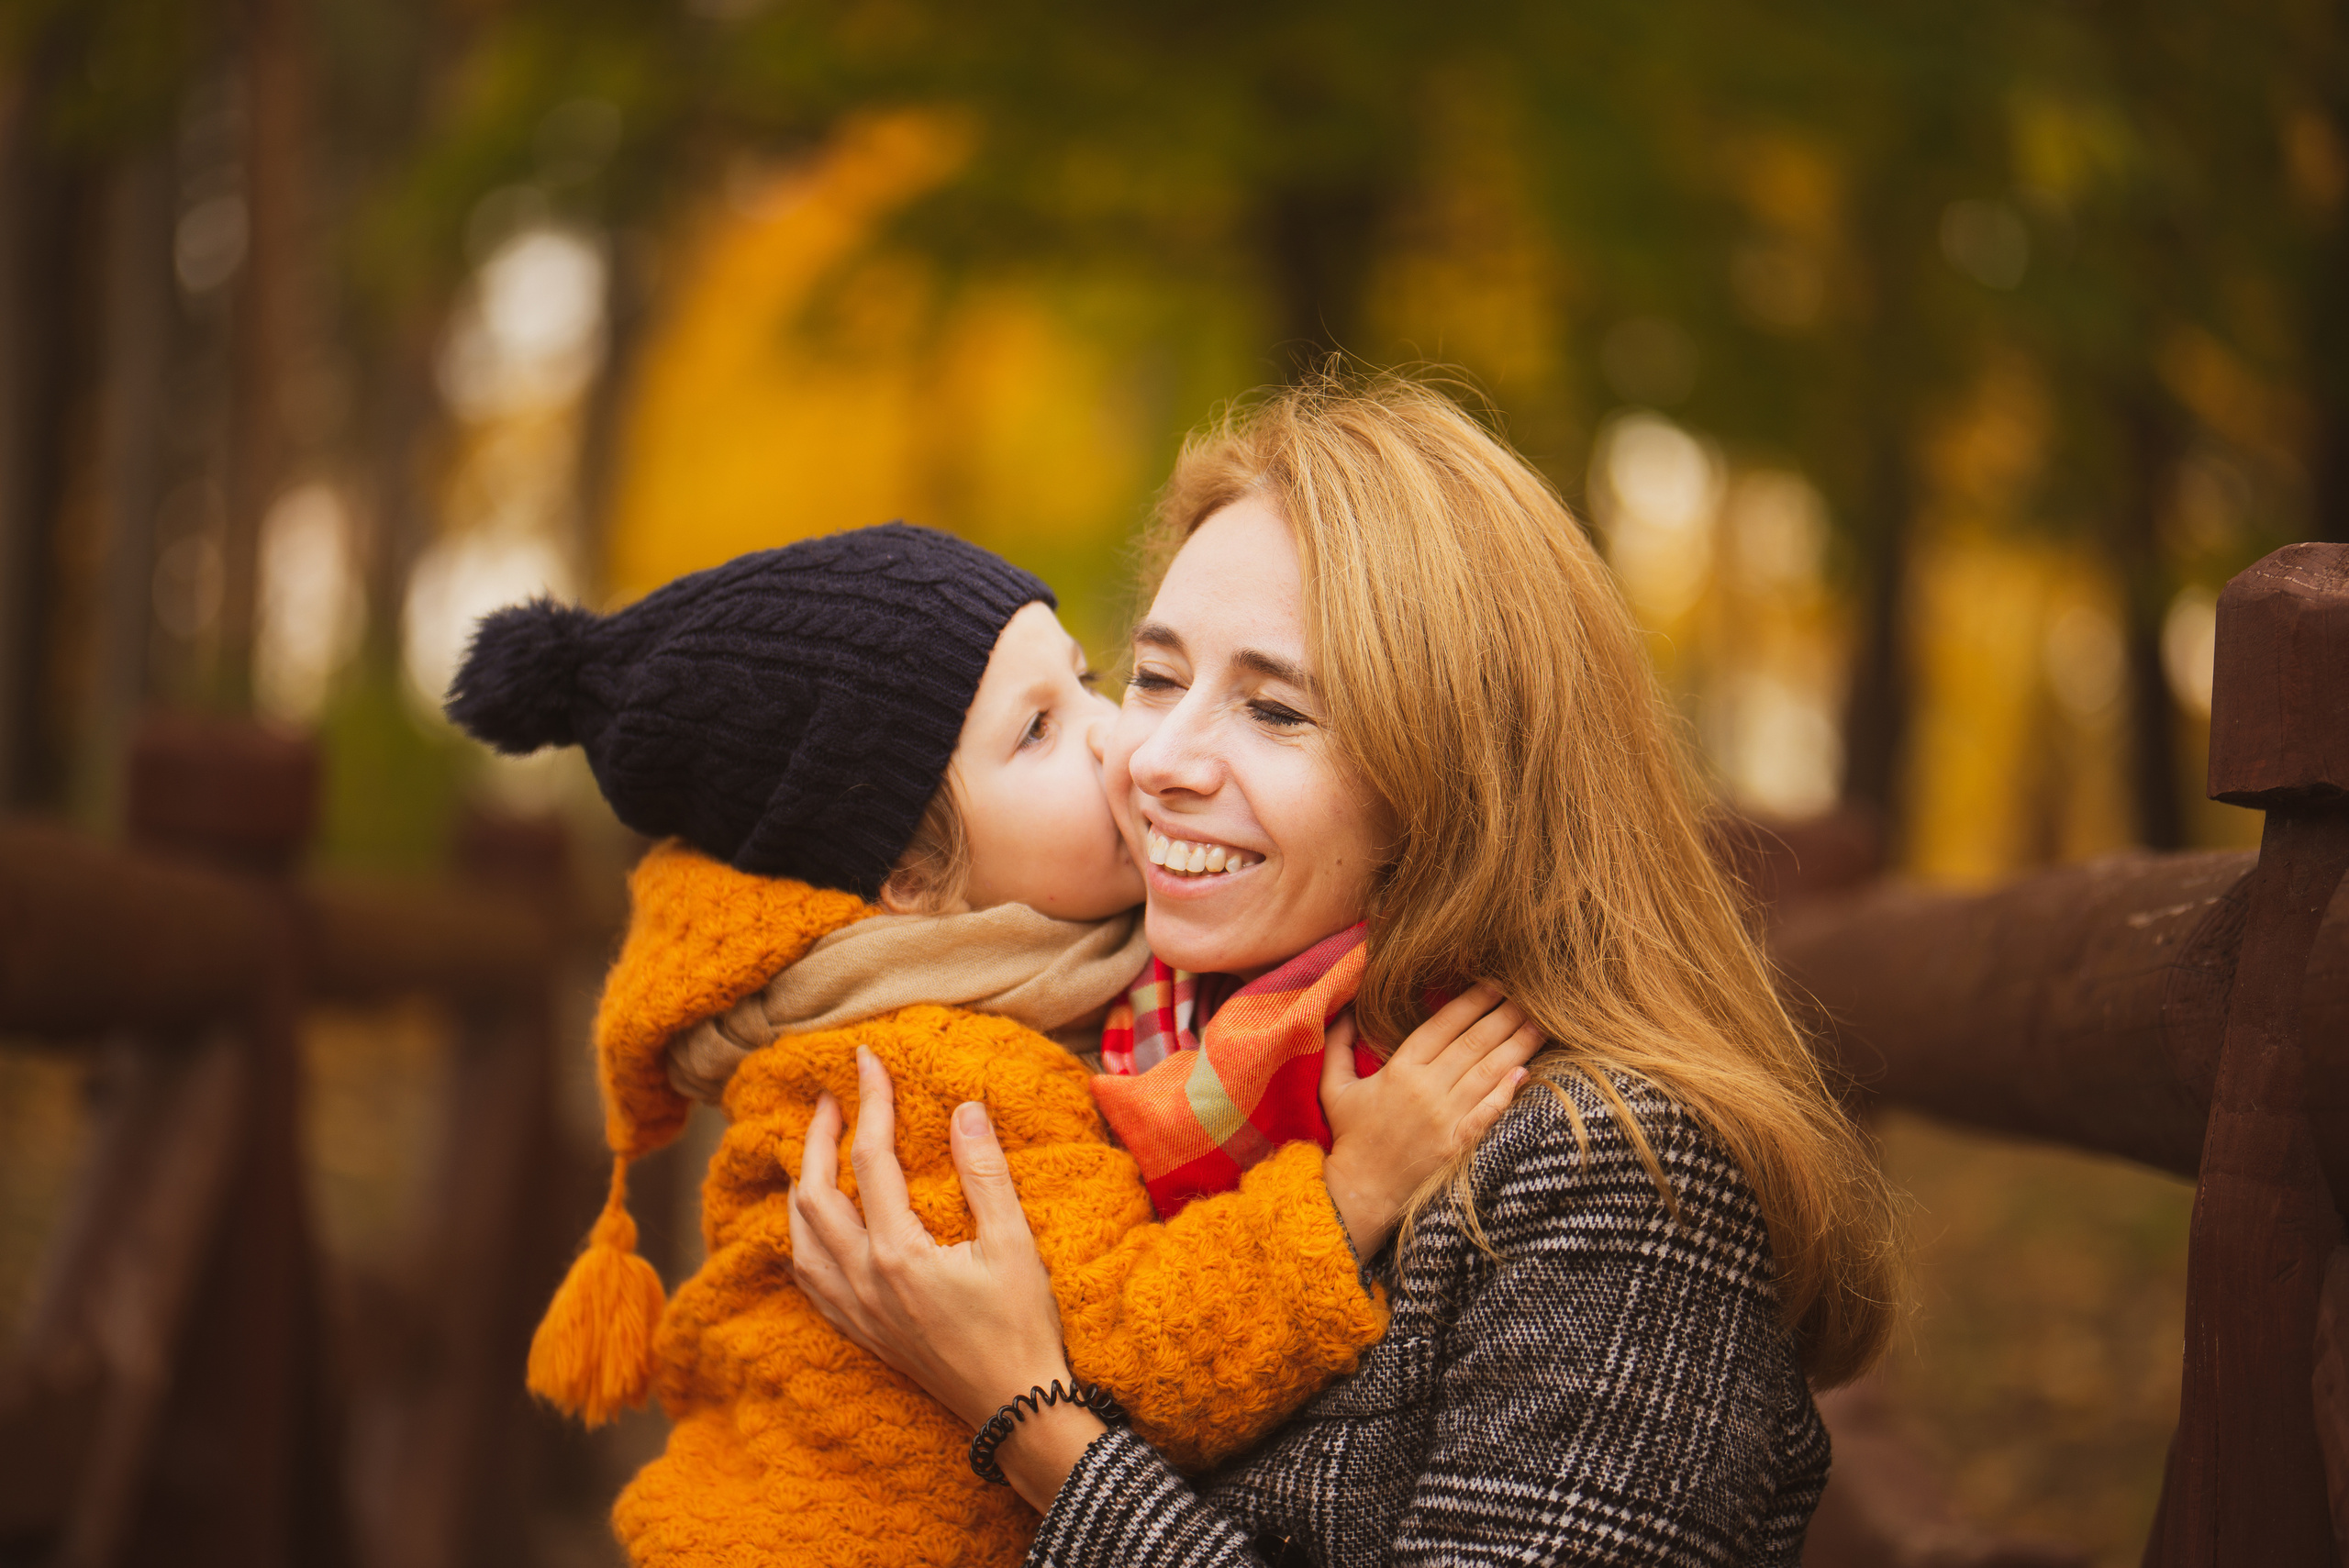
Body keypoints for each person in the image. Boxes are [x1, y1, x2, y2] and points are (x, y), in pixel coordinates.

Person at [787, 379, 1901, 1567]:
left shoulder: (1616, 1177)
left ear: (1455, 779)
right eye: (1155, 677)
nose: (1155, 757)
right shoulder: (1139, 1065)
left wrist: (1029, 1418)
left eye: (1275, 710)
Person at [442, 522, 1542, 1568]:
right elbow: (1135, 1363)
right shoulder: (939, 1080)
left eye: (1088, 678)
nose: (1119, 736)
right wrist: (1354, 1189)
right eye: (1038, 730)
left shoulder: (970, 1003)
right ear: (909, 878)